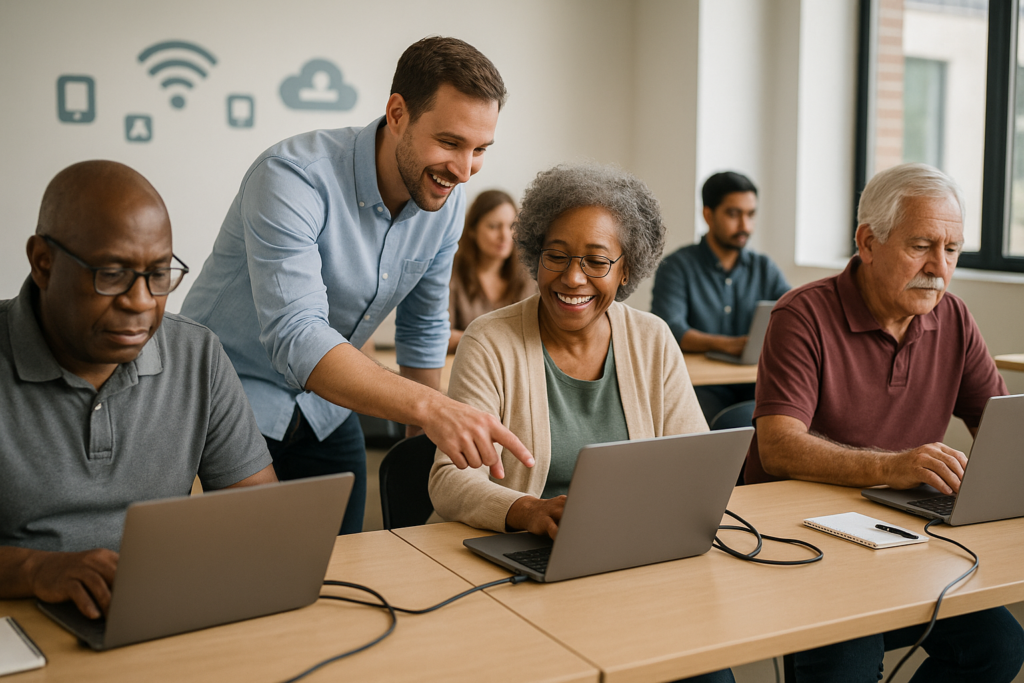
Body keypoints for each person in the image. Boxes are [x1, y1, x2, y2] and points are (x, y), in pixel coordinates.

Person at [181, 37, 534, 535]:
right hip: (233, 394)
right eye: (450, 142)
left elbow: (424, 323)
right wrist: (434, 408)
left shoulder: (446, 201)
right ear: (397, 113)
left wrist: (421, 441)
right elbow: (298, 334)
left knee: (345, 557)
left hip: (326, 404)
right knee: (255, 561)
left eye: (480, 150)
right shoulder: (292, 177)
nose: (463, 170)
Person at [429, 163, 731, 683]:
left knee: (705, 673)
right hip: (519, 563)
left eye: (595, 262)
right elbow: (449, 479)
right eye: (557, 257)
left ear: (626, 269)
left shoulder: (653, 339)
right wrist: (527, 510)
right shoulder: (490, 340)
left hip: (630, 560)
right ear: (535, 256)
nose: (572, 278)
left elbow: (695, 467)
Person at [746, 163, 1024, 681]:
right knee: (849, 666)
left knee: (1001, 647)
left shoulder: (955, 317)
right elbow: (778, 447)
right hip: (807, 544)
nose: (939, 268)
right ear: (868, 242)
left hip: (905, 538)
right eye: (921, 245)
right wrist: (894, 466)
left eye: (953, 250)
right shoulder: (802, 315)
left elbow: (1002, 432)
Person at [0, 161, 277, 620]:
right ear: (42, 263)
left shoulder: (196, 353)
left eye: (159, 274)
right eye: (111, 274)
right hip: (19, 622)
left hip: (155, 610)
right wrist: (35, 569)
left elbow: (261, 515)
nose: (141, 301)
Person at [651, 171, 789, 423]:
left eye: (750, 214)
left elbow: (794, 314)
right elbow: (671, 329)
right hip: (699, 386)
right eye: (733, 214)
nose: (745, 226)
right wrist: (727, 345)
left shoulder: (764, 268)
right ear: (708, 214)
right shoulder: (677, 266)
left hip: (754, 380)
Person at [448, 189, 535, 353]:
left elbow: (536, 335)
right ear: (472, 230)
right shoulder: (451, 272)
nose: (505, 236)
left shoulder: (528, 274)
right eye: (494, 226)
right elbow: (440, 337)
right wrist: (500, 340)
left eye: (511, 226)